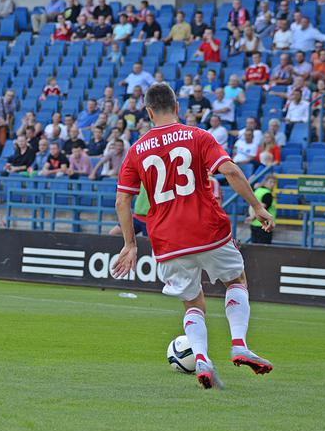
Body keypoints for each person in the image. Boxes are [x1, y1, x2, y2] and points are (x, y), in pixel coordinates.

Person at [112, 82, 275, 389]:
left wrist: (130, 244)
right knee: (236, 280)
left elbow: (122, 200)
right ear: (177, 106)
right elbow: (232, 171)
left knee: (192, 302)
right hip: (208, 230)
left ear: (148, 111)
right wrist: (258, 207)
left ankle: (201, 358)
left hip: (167, 240)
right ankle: (238, 343)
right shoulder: (198, 136)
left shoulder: (136, 151)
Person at [247, 175, 277, 244]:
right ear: (265, 182)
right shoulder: (267, 194)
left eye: (274, 183)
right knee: (264, 250)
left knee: (255, 247)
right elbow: (261, 209)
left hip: (254, 224)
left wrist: (251, 217)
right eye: (271, 182)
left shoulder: (257, 191)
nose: (272, 184)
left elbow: (252, 205)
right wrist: (252, 217)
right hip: (264, 226)